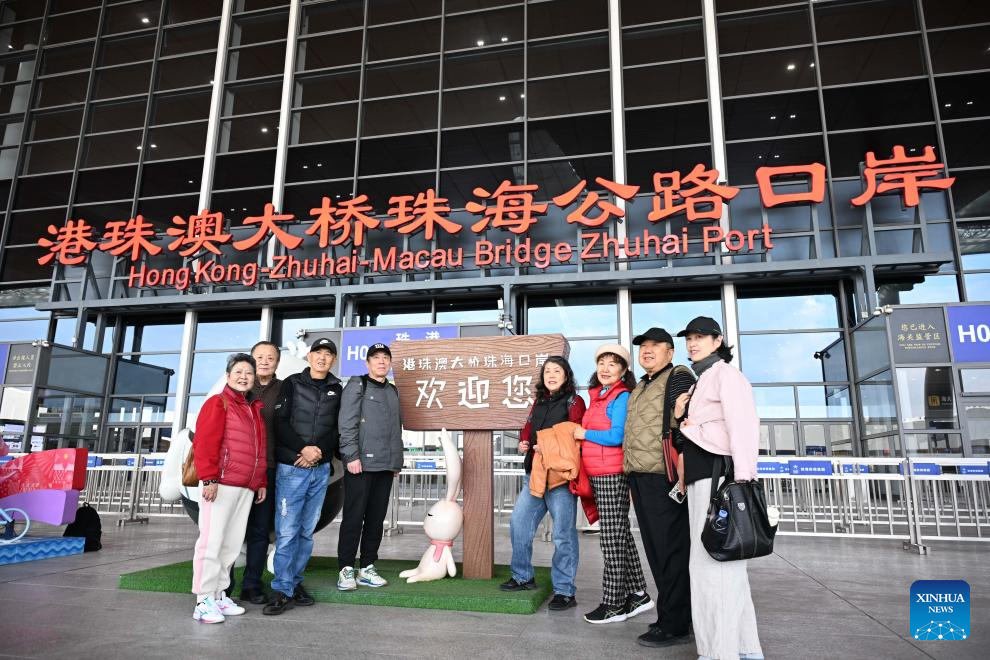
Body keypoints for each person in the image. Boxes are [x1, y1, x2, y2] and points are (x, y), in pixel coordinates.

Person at [675, 316, 763, 660]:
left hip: (718, 476)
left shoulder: (726, 375)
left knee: (712, 565)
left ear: (718, 341)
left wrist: (743, 477)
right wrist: (684, 420)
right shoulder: (703, 379)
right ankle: (744, 649)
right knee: (724, 566)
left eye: (700, 337)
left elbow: (744, 425)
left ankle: (718, 653)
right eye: (689, 338)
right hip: (703, 476)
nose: (693, 343)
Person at [623, 327, 696, 647]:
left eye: (656, 345)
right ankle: (672, 616)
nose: (647, 350)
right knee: (657, 551)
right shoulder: (641, 385)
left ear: (670, 351)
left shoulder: (678, 376)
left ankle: (675, 624)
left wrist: (683, 465)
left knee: (671, 551)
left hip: (664, 477)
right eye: (643, 346)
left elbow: (688, 420)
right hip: (641, 476)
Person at [574, 344, 653, 624]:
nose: (605, 369)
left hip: (611, 474)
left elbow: (617, 436)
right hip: (598, 473)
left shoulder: (621, 396)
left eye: (612, 364)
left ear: (623, 370)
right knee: (621, 536)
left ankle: (614, 603)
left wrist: (584, 433)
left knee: (611, 540)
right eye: (601, 363)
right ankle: (638, 593)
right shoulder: (598, 396)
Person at [263, 337, 342, 615]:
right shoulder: (292, 383)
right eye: (318, 352)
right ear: (309, 357)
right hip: (292, 468)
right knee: (287, 532)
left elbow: (337, 429)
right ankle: (282, 589)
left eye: (328, 354)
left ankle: (295, 583)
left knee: (306, 533)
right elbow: (280, 422)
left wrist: (318, 452)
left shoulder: (337, 388)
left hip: (320, 470)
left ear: (333, 360)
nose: (322, 357)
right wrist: (302, 449)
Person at [501, 356, 587, 610]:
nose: (551, 375)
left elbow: (575, 435)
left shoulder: (574, 401)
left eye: (556, 371)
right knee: (519, 524)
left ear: (566, 375)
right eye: (547, 371)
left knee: (563, 535)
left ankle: (564, 591)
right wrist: (524, 442)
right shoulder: (538, 401)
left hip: (560, 478)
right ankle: (522, 576)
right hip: (535, 474)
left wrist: (547, 446)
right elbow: (528, 428)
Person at [191, 353, 267, 624]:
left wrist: (261, 481)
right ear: (228, 376)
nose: (244, 377)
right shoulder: (218, 402)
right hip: (221, 484)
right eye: (239, 372)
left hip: (245, 486)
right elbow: (204, 442)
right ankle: (203, 600)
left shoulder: (253, 408)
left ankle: (219, 595)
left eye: (249, 373)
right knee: (211, 543)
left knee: (231, 546)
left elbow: (259, 450)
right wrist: (209, 479)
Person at [336, 342, 403, 591]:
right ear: (367, 363)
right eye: (376, 357)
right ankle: (345, 569)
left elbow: (395, 428)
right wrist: (351, 456)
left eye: (385, 357)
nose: (381, 361)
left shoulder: (393, 391)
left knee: (376, 519)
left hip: (385, 466)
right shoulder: (358, 384)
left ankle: (367, 567)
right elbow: (347, 423)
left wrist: (396, 461)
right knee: (354, 518)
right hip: (360, 465)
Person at [238, 340, 283, 605]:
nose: (265, 361)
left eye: (270, 357)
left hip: (269, 469)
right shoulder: (239, 387)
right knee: (232, 529)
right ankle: (222, 585)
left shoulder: (285, 390)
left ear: (277, 362)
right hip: (238, 470)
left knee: (259, 529)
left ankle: (251, 584)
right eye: (259, 357)